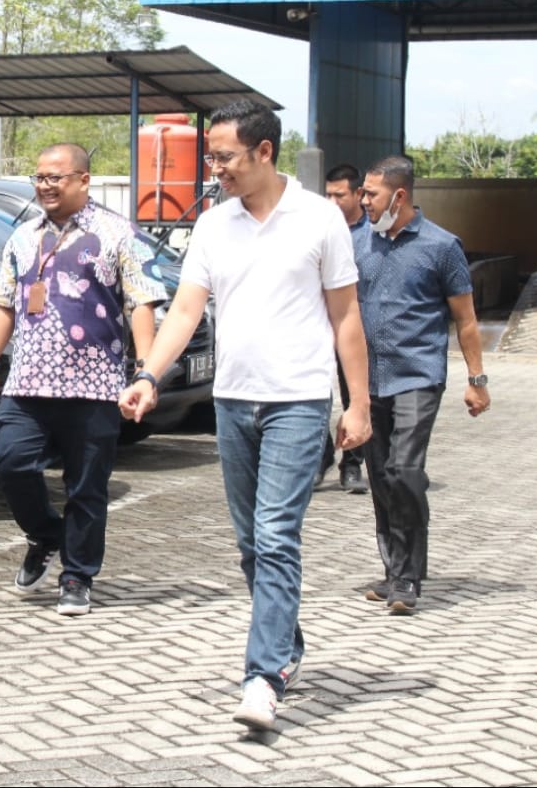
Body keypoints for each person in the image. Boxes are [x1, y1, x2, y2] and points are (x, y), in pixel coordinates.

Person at [119, 100, 371, 734]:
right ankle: (285, 639)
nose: (216, 169)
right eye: (211, 156)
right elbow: (182, 313)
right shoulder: (213, 224)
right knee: (250, 544)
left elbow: (346, 318)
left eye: (225, 157)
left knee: (277, 533)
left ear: (264, 152)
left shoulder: (319, 220)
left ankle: (263, 676)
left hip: (298, 399)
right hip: (231, 401)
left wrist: (359, 404)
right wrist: (149, 374)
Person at [0, 142, 169, 617]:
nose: (45, 186)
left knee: (86, 487)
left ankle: (78, 575)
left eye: (55, 177)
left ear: (84, 179)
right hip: (28, 382)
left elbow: (141, 302)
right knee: (10, 462)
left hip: (94, 385)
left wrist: (145, 371)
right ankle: (45, 534)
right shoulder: (22, 237)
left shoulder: (118, 234)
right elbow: (4, 303)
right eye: (39, 178)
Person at [355, 155, 490, 615]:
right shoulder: (358, 243)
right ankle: (396, 570)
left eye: (370, 193)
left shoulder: (442, 246)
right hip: (369, 381)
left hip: (418, 376)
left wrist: (477, 380)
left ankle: (408, 577)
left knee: (404, 472)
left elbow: (466, 321)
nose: (363, 201)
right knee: (380, 477)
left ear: (399, 196)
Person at [319, 163, 371, 494]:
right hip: (321, 332)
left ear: (358, 194)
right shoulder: (319, 228)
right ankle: (320, 458)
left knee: (355, 398)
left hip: (357, 331)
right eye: (328, 195)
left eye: (340, 195)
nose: (333, 201)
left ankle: (351, 464)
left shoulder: (374, 235)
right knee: (315, 399)